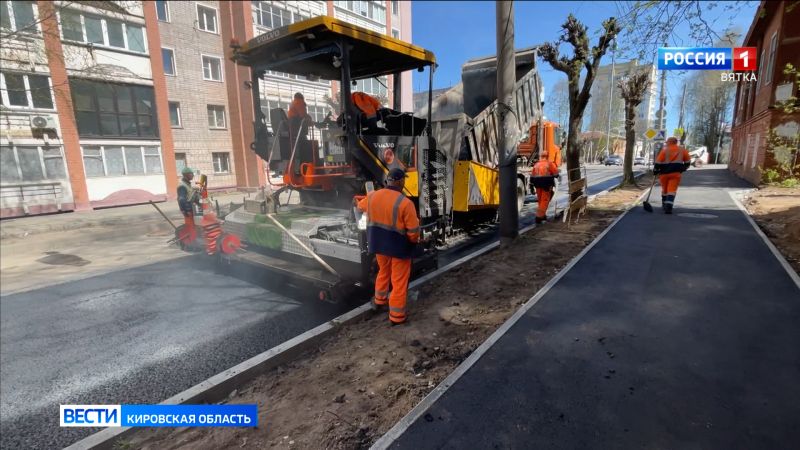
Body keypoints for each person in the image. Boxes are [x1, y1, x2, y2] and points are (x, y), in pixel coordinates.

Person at [357, 168, 420, 325]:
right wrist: (413, 242)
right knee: (399, 281)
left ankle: (379, 300)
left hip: (378, 244)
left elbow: (360, 206)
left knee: (384, 271)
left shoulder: (373, 196)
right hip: (399, 248)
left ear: (388, 181)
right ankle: (397, 316)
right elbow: (413, 233)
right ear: (400, 182)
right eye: (404, 180)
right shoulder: (406, 203)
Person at [653, 137, 691, 214]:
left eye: (667, 142)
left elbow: (658, 163)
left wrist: (655, 171)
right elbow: (688, 162)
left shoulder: (664, 150)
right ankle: (669, 207)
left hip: (664, 174)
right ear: (676, 142)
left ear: (669, 142)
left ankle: (664, 204)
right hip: (676, 174)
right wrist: (683, 169)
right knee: (672, 190)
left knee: (665, 190)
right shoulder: (682, 150)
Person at [530, 152, 561, 224]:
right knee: (544, 201)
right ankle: (539, 217)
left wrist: (532, 184)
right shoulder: (549, 164)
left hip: (537, 185)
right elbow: (556, 174)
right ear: (547, 156)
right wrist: (556, 174)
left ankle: (543, 215)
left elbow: (532, 176)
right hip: (546, 184)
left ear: (541, 156)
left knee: (540, 200)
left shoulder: (536, 164)